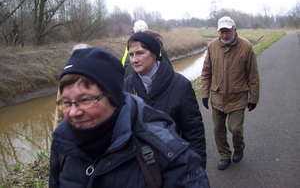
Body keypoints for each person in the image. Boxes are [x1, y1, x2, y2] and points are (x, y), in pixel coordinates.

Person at [49, 47, 210, 187]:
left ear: (113, 97)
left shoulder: (168, 155)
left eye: (85, 100)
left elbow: (193, 128)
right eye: (66, 102)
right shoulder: (62, 143)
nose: (72, 112)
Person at [123, 30, 207, 168]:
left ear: (155, 54)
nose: (134, 59)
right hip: (139, 168)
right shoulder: (126, 85)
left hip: (173, 165)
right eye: (131, 54)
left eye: (140, 53)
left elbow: (194, 133)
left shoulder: (181, 85)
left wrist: (197, 169)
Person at [201, 16, 260, 170]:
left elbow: (253, 75)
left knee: (235, 128)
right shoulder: (212, 46)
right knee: (218, 129)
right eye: (222, 32)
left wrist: (253, 98)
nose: (225, 35)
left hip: (238, 97)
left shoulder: (246, 47)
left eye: (228, 32)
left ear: (235, 30)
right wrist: (205, 94)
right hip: (218, 97)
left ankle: (239, 147)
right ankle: (225, 155)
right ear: (218, 31)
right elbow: (206, 72)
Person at [53, 43, 92, 130]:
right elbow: (59, 112)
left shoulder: (98, 79)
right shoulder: (65, 81)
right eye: (76, 57)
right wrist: (56, 135)